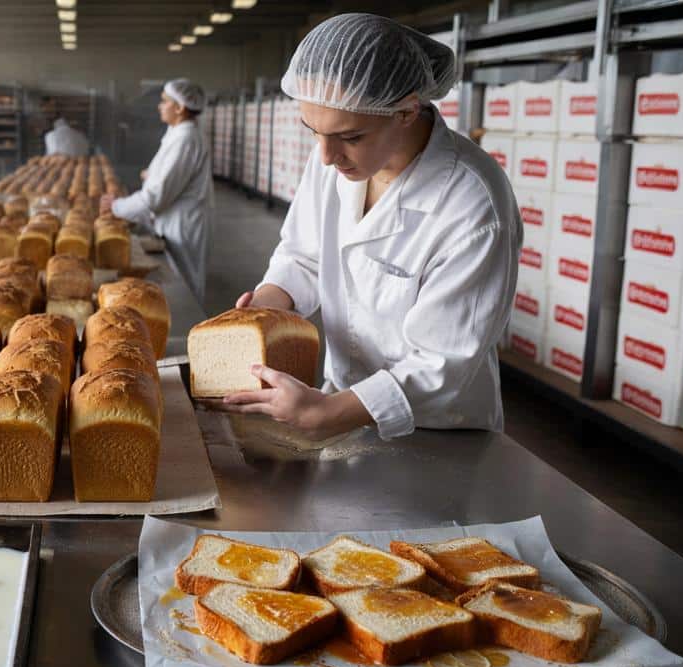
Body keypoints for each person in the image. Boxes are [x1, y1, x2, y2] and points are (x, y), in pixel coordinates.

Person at [223, 13, 521, 442]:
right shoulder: (333, 158)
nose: (326, 156)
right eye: (314, 132)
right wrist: (264, 307)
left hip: (435, 432)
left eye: (352, 136)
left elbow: (442, 362)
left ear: (406, 111)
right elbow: (303, 256)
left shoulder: (473, 203)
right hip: (336, 404)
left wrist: (328, 413)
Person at [100, 78, 213, 303]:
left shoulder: (185, 139)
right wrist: (151, 174)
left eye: (165, 101)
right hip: (173, 218)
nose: (160, 106)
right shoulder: (177, 134)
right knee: (178, 278)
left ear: (179, 108)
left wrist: (116, 206)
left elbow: (155, 197)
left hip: (182, 222)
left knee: (184, 284)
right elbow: (167, 176)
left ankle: (190, 324)